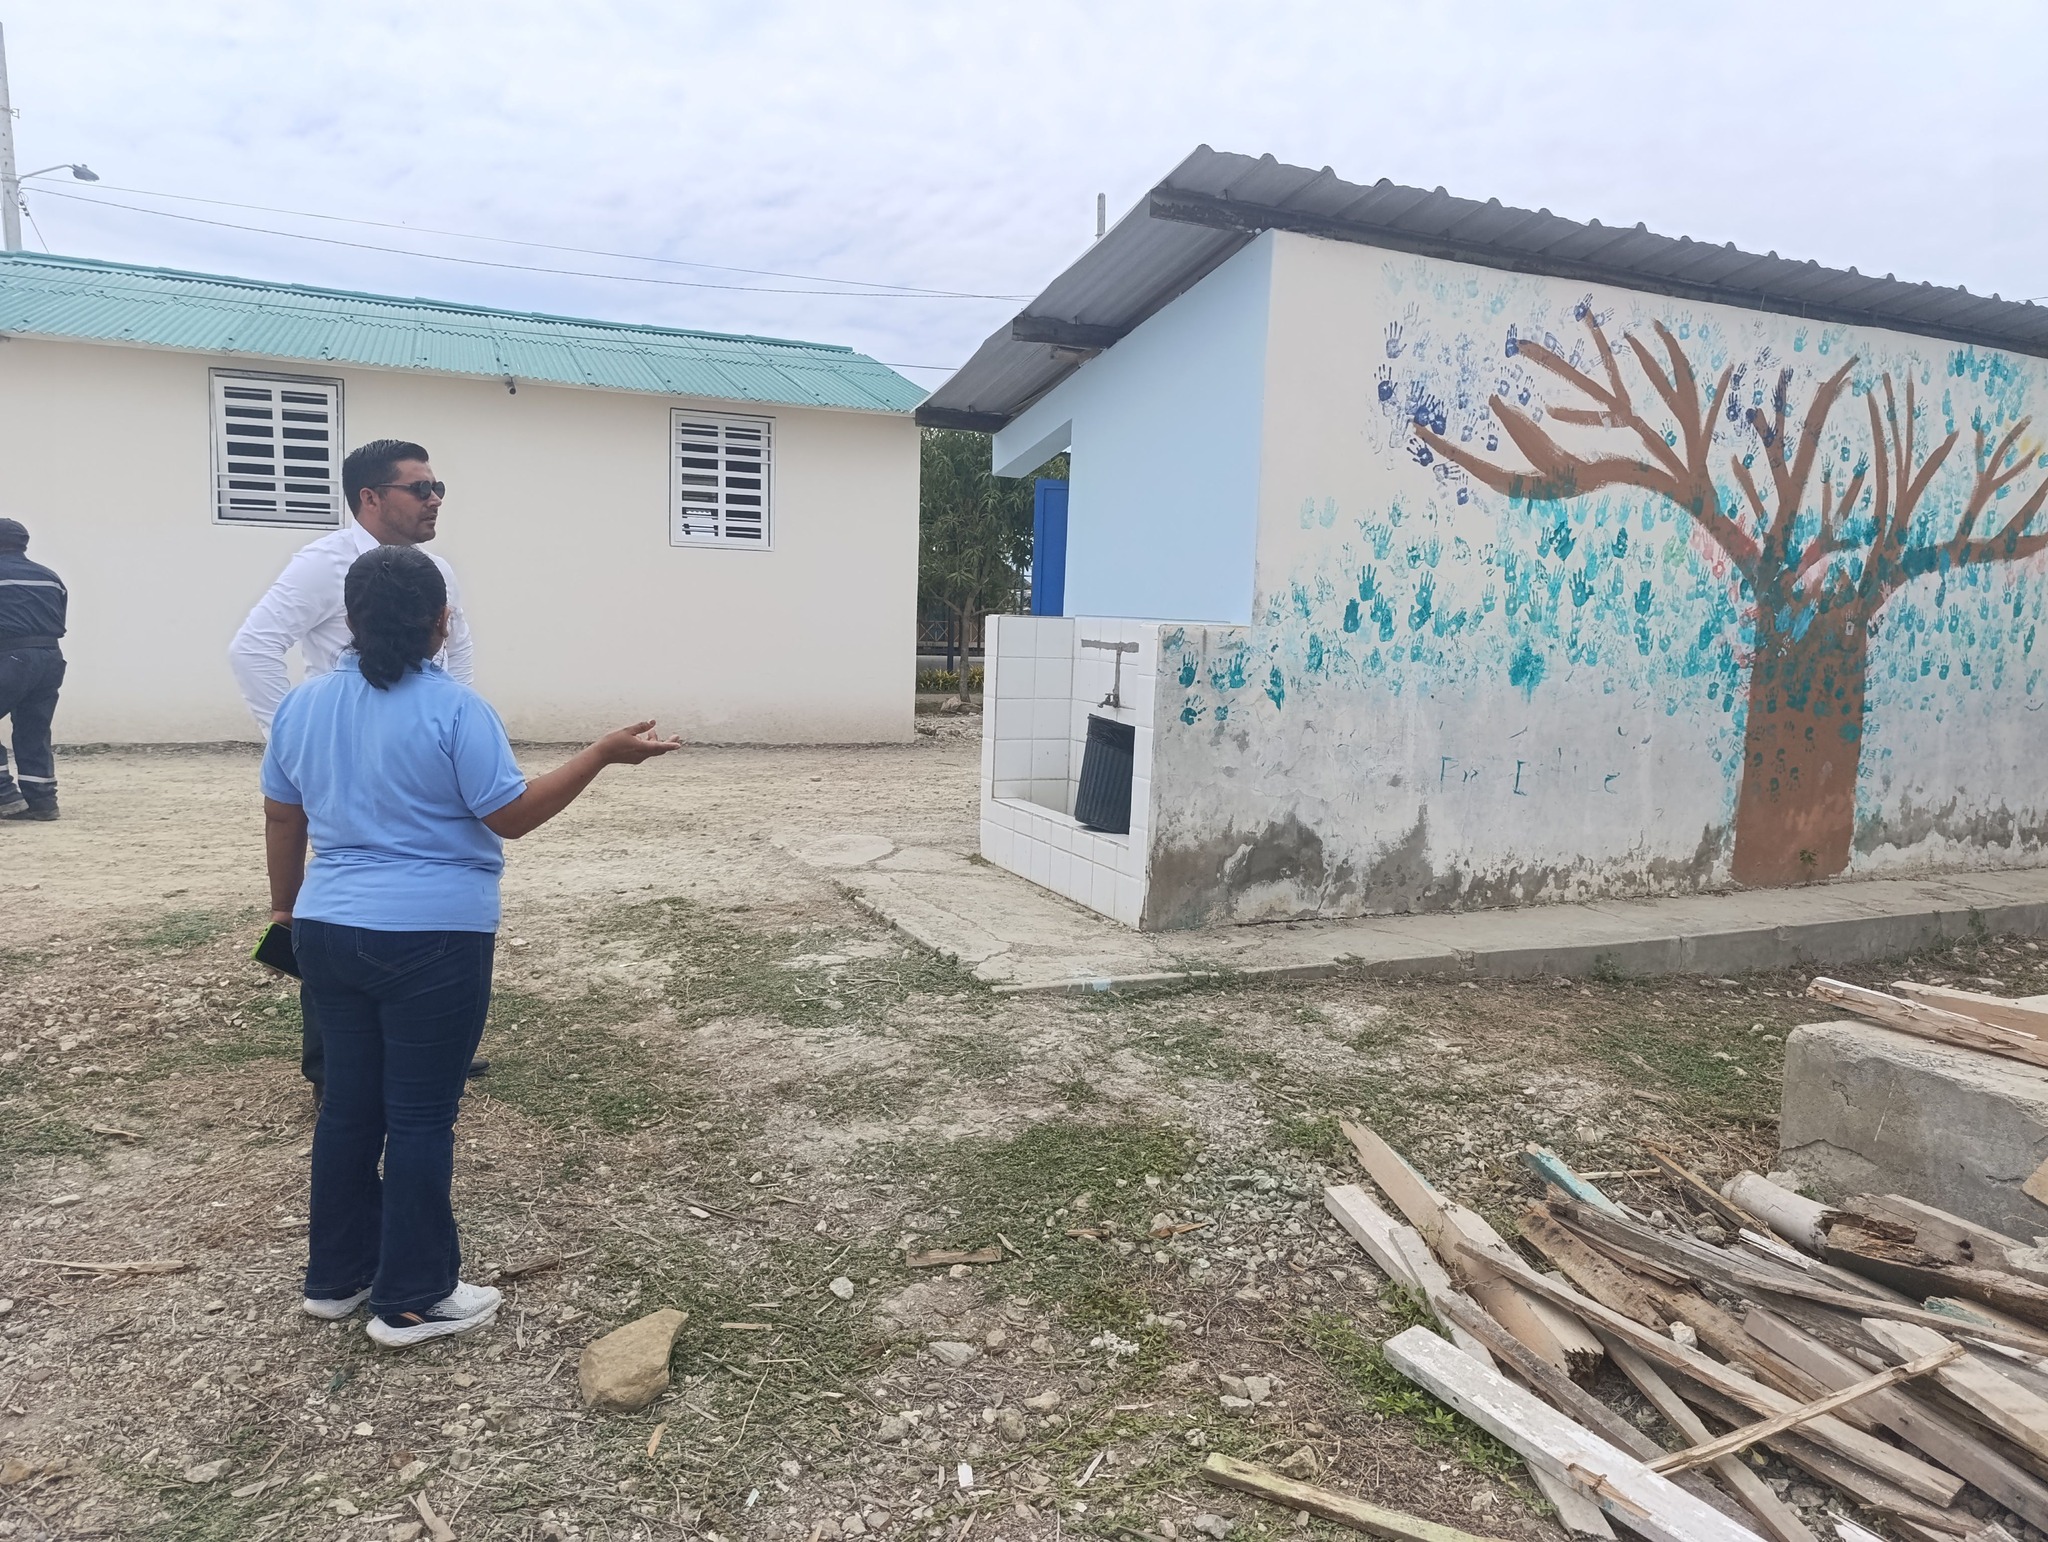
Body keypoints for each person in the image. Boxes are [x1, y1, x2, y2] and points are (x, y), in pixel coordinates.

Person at [262, 544, 678, 1346]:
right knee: (421, 1117)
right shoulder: (456, 709)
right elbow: (509, 815)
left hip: (327, 928)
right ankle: (413, 1299)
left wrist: (286, 912)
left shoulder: (300, 707)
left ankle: (337, 1278)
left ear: (349, 620)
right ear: (441, 622)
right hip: (434, 936)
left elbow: (285, 816)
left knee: (348, 1108)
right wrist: (599, 755)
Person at [231, 440, 478, 1104]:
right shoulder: (324, 565)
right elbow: (252, 648)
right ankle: (332, 1070)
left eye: (438, 487)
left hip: (421, 754)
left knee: (428, 879)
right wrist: (293, 739)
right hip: (348, 756)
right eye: (419, 489)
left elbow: (459, 651)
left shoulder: (437, 569)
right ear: (370, 497)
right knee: (339, 893)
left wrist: (456, 731)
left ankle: (426, 1039)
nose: (435, 499)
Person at [0, 518, 67, 822]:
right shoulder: (51, 577)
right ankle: (42, 802)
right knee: (34, 728)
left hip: (10, 656)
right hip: (50, 658)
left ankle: (5, 795)